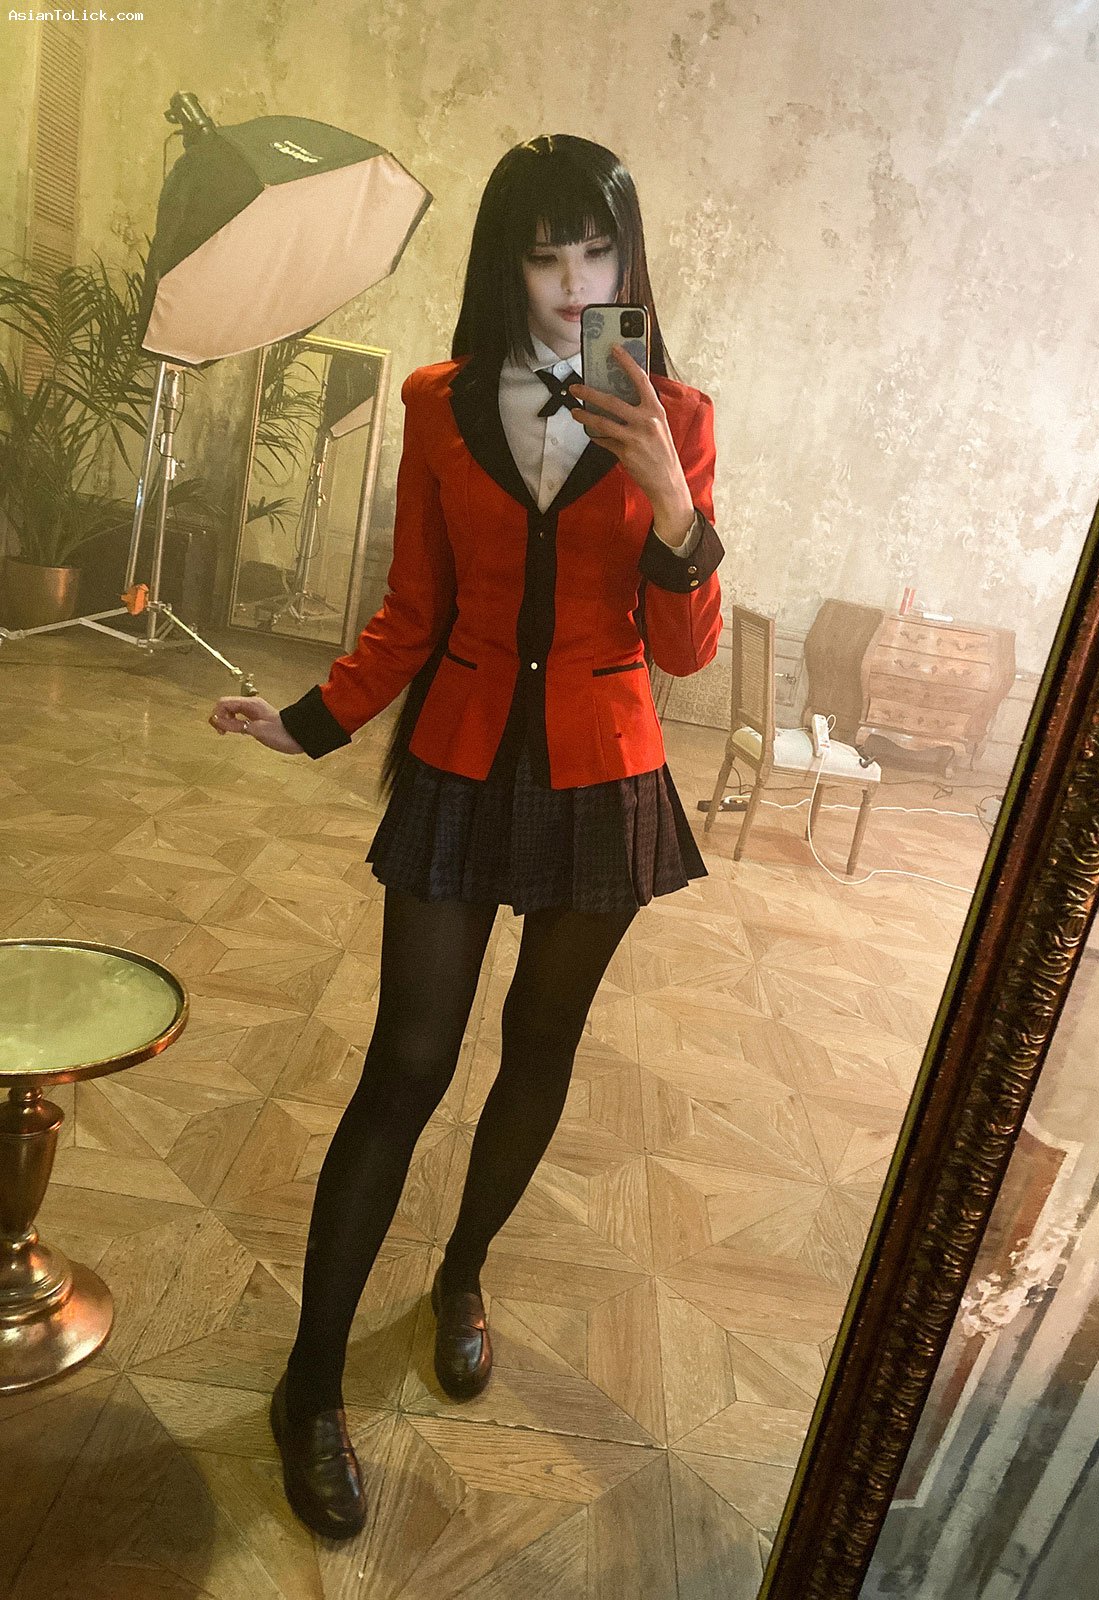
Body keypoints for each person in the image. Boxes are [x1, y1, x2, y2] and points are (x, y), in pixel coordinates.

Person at [209, 132, 724, 1541]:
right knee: (406, 1065)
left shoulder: (677, 411)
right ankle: (311, 1382)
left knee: (538, 1051)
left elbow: (684, 652)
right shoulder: (438, 405)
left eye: (597, 253)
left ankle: (462, 1276)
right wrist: (312, 720)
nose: (574, 284)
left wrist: (674, 499)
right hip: (458, 760)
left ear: (627, 259)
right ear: (508, 263)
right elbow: (412, 611)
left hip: (603, 774)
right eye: (545, 255)